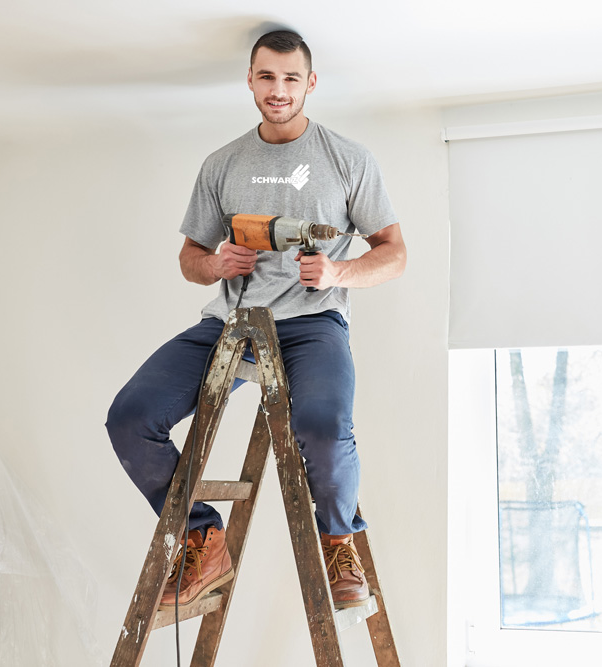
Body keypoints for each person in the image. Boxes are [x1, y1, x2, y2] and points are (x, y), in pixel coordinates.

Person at [105, 29, 406, 610]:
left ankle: (339, 539)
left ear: (310, 83)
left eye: (291, 78)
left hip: (313, 323)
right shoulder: (222, 164)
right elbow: (190, 258)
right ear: (250, 80)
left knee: (322, 426)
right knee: (130, 418)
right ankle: (203, 536)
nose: (278, 89)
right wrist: (216, 262)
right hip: (231, 321)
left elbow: (393, 253)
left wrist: (338, 274)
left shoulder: (348, 159)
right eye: (267, 76)